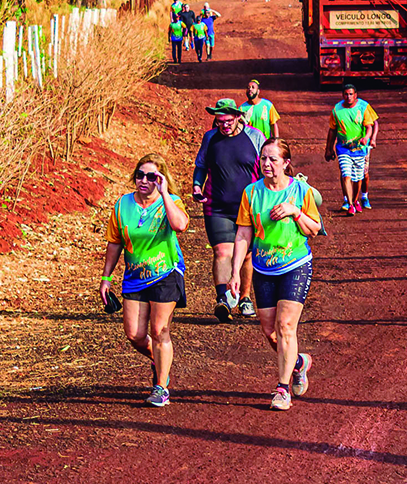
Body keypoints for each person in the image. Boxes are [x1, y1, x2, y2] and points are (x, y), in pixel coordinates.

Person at [229, 138, 322, 411]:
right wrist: (235, 272)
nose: (267, 163)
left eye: (273, 159)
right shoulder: (251, 193)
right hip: (263, 268)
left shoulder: (301, 191)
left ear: (286, 163)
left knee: (285, 326)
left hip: (296, 265)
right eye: (263, 158)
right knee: (270, 331)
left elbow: (315, 229)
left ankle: (282, 389)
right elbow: (243, 234)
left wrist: (295, 212)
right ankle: (299, 363)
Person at [100, 153, 189, 407]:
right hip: (134, 276)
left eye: (152, 176)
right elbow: (115, 242)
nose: (144, 180)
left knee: (159, 330)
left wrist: (164, 194)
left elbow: (180, 225)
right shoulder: (122, 205)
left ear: (161, 178)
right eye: (140, 175)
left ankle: (161, 387)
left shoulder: (171, 202)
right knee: (135, 335)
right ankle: (159, 362)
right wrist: (106, 277)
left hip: (166, 273)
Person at [193, 99, 265, 321]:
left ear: (238, 117)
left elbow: (267, 167)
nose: (224, 125)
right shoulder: (210, 138)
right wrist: (197, 186)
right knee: (222, 252)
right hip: (217, 206)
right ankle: (223, 299)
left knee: (247, 255)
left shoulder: (255, 137)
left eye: (228, 121)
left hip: (249, 208)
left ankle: (244, 297)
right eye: (220, 121)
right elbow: (201, 166)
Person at [324, 83, 378, 216]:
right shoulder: (336, 110)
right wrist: (328, 148)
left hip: (360, 149)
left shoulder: (364, 107)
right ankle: (349, 203)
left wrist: (369, 138)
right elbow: (332, 130)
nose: (348, 97)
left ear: (355, 95)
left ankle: (359, 198)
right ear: (342, 95)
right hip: (343, 149)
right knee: (346, 175)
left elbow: (372, 125)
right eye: (346, 94)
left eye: (351, 94)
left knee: (360, 177)